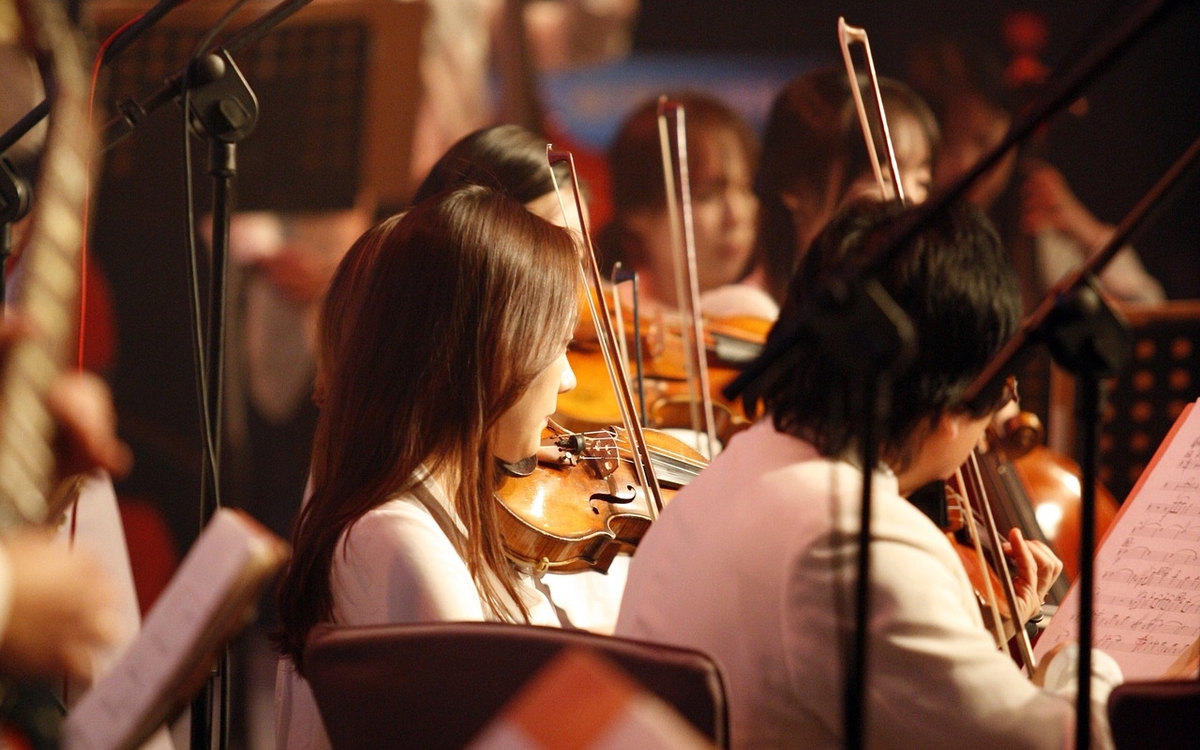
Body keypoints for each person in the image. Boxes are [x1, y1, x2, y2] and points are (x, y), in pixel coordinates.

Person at [615, 199, 1124, 750]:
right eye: (1002, 389)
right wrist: (1086, 663)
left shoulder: (733, 471)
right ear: (950, 405)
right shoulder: (853, 541)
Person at [274, 185, 581, 750]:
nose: (569, 380)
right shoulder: (397, 539)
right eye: (557, 347)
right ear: (497, 350)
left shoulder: (421, 515)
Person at [906, 35, 1165, 308]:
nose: (966, 165)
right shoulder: (911, 231)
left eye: (983, 140)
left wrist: (1085, 230)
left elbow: (1147, 307)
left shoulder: (1032, 215)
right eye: (948, 142)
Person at [744, 66, 939, 308]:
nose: (909, 200)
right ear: (795, 188)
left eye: (922, 183)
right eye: (885, 179)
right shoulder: (747, 311)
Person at [597, 92, 764, 318]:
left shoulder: (773, 315)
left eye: (746, 189)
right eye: (705, 196)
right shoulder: (610, 318)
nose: (736, 215)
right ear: (637, 212)